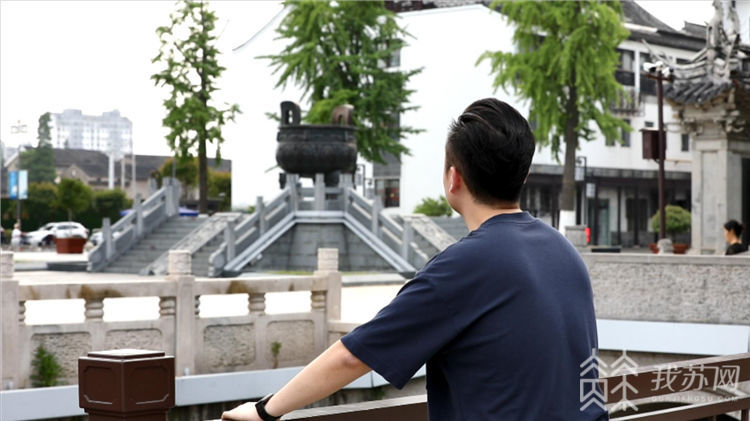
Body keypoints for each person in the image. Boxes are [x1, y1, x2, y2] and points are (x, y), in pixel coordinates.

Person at [221, 98, 606, 421]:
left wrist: (264, 411)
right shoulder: (563, 250)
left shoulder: (466, 264)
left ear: (453, 178)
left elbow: (353, 357)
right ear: (522, 177)